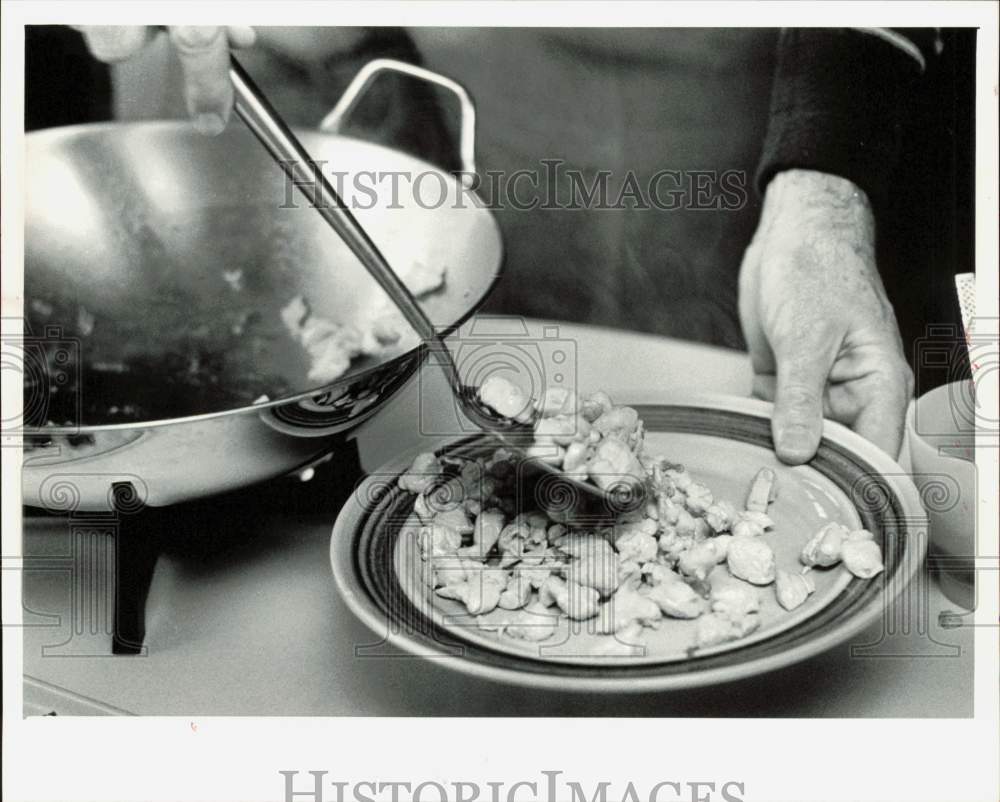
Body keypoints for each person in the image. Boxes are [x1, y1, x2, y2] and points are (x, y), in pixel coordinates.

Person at [74, 25, 935, 465]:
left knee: (613, 353)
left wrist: (821, 190)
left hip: (626, 55)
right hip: (264, 35)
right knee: (217, 285)